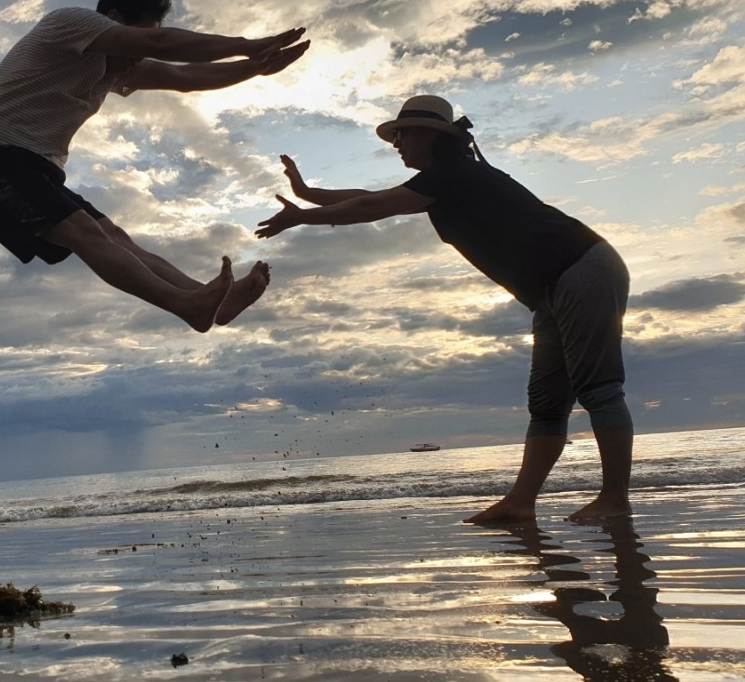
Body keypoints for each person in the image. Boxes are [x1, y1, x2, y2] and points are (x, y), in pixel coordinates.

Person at [256, 95, 633, 524]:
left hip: (581, 267)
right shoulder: (442, 181)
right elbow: (370, 197)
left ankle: (615, 499)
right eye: (394, 134)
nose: (395, 141)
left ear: (434, 135)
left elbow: (372, 206)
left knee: (598, 388)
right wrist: (306, 194)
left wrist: (302, 217)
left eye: (403, 133)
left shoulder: (457, 173)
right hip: (551, 289)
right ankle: (520, 503)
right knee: (547, 404)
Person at [0, 0, 310, 332]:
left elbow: (186, 78)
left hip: (35, 167)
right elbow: (161, 46)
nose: (137, 56)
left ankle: (211, 301)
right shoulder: (69, 23)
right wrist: (247, 45)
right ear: (114, 21)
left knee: (116, 239)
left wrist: (256, 67)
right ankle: (186, 305)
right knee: (85, 234)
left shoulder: (118, 67)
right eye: (139, 40)